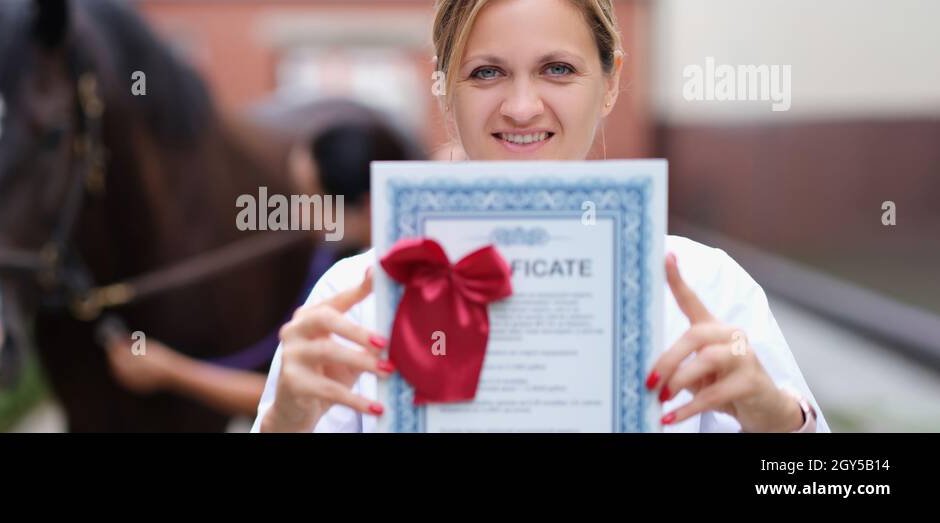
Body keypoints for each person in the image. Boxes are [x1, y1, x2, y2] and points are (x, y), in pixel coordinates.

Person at [254, 0, 829, 433]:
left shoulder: (707, 288)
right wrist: (289, 420)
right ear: (441, 88)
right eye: (485, 72)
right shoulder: (355, 296)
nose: (522, 106)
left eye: (557, 69)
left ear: (609, 84)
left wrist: (776, 419)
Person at [103, 117, 416, 418]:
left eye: (312, 199)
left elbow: (284, 395)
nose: (299, 213)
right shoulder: (335, 258)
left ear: (365, 205)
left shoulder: (364, 290)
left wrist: (171, 372)